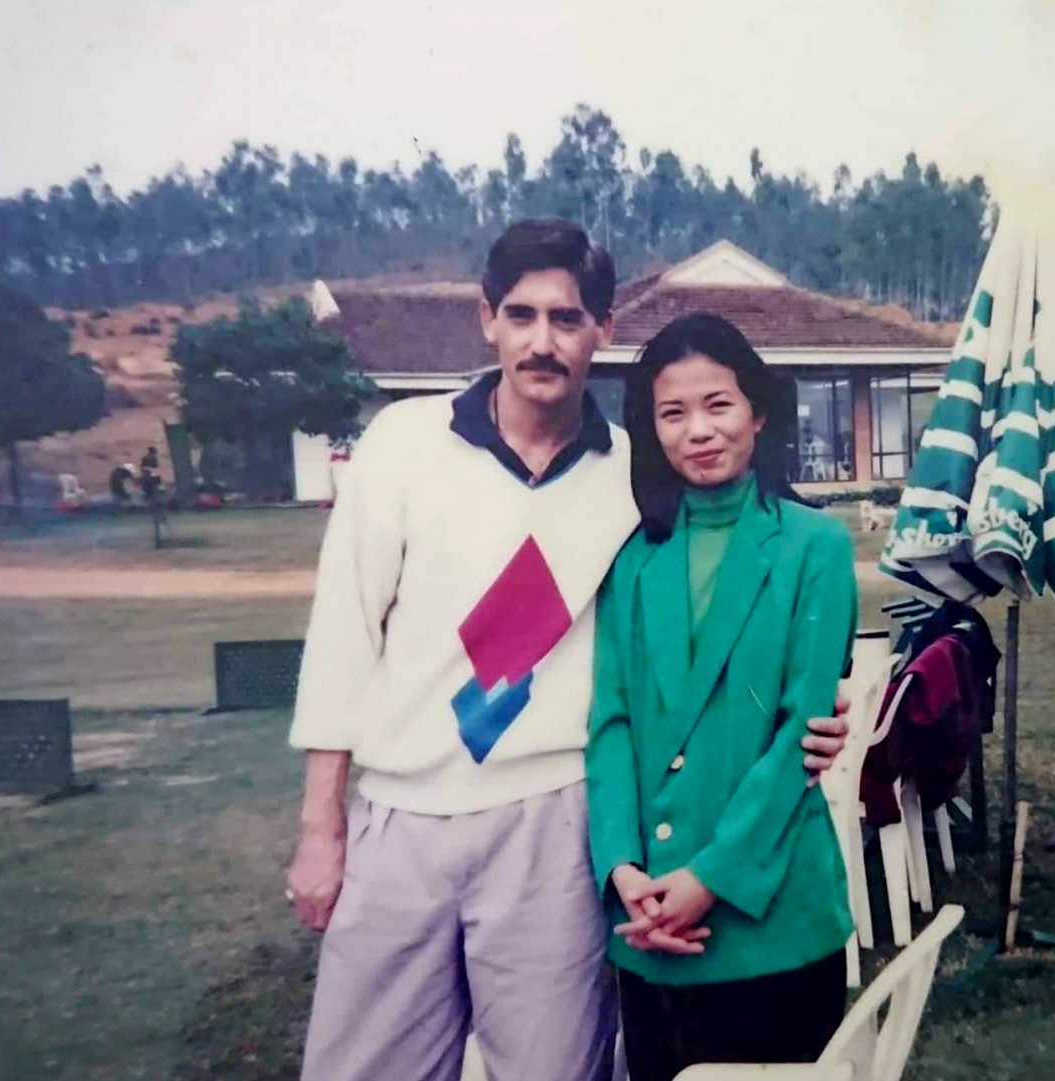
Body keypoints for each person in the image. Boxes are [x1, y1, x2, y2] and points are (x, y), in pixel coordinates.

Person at [285, 219, 850, 1081]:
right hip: (401, 817)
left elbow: (747, 570)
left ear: (603, 330)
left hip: (551, 818)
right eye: (521, 315)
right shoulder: (402, 444)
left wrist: (820, 704)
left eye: (567, 318)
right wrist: (321, 828)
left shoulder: (634, 474)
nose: (542, 341)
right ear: (487, 320)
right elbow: (340, 642)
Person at [587, 313, 857, 1081]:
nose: (699, 431)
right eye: (673, 413)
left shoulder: (816, 546)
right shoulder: (633, 559)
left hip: (771, 917)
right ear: (651, 430)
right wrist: (621, 872)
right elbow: (610, 725)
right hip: (649, 924)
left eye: (719, 405)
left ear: (758, 413)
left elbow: (799, 736)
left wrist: (709, 879)